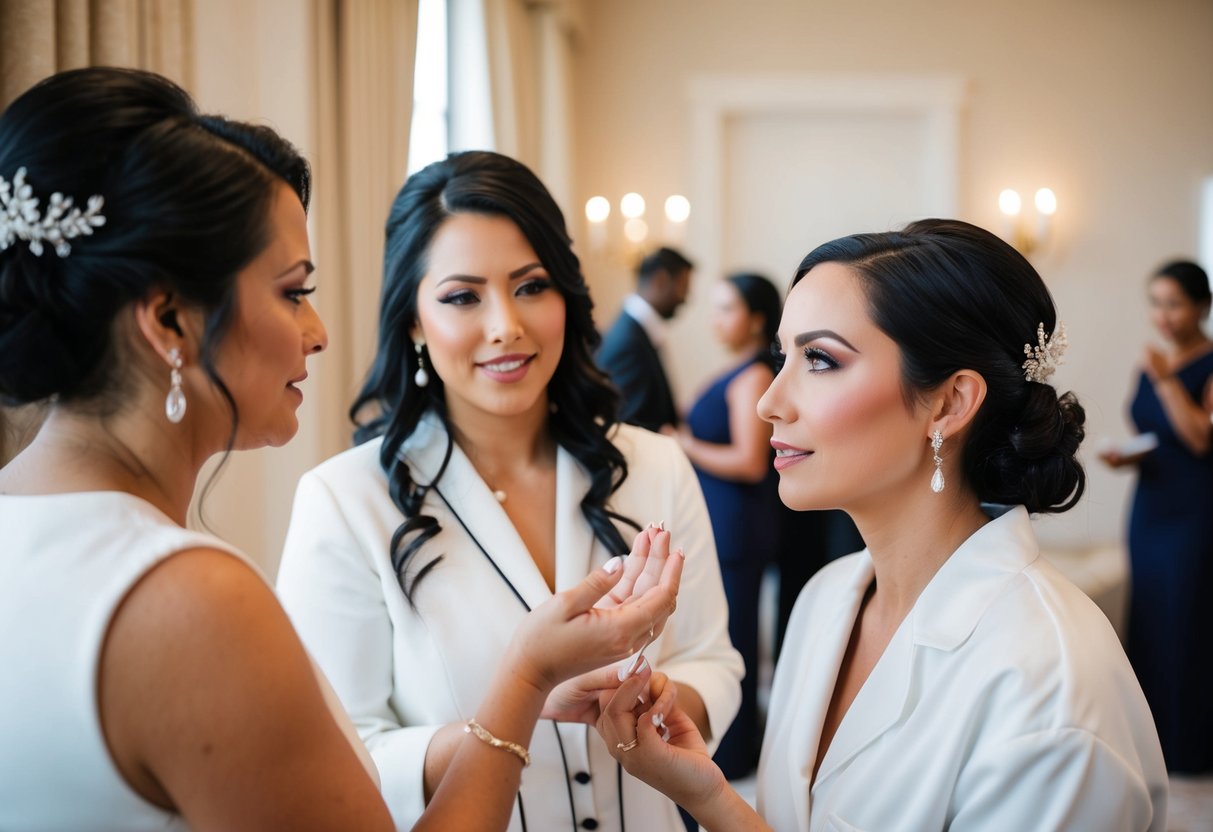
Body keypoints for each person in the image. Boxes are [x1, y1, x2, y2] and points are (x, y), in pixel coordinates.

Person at [0, 68, 685, 832]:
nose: (318, 332)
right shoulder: (190, 599)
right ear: (168, 320)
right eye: (292, 291)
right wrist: (525, 675)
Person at [596, 220, 1169, 831]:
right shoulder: (826, 598)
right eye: (781, 356)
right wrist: (709, 795)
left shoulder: (1049, 690)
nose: (769, 401)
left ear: (950, 403)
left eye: (819, 359)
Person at [275, 151, 742, 832]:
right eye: (463, 297)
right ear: (411, 321)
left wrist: (665, 703)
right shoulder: (346, 501)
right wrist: (521, 709)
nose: (506, 325)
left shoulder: (655, 465)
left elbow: (712, 658)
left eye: (530, 286)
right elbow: (341, 748)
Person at [1099, 259, 1213, 774]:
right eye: (1156, 303)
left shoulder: (1204, 364)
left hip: (1194, 511)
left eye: (1174, 303)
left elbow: (1198, 437)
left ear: (1201, 307)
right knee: (1148, 617)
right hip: (1149, 507)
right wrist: (1127, 455)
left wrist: (1168, 381)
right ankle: (1150, 744)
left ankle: (1191, 750)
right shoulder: (1150, 363)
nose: (1163, 316)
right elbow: (1159, 437)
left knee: (1187, 619)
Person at [668, 271, 781, 778]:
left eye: (727, 308)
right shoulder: (737, 369)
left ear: (756, 319)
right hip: (723, 525)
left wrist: (683, 444)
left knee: (732, 637)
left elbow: (750, 461)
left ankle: (735, 757)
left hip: (738, 527)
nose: (716, 319)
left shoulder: (754, 375)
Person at [596, 246, 692, 432]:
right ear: (661, 280)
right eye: (683, 287)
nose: (685, 298)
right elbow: (630, 425)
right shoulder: (628, 343)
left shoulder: (637, 331)